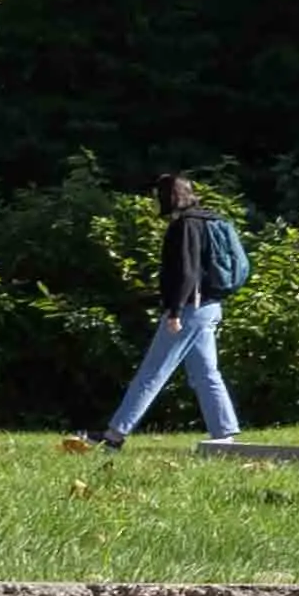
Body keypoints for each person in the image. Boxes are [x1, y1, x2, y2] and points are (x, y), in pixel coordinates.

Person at [101, 172, 250, 448]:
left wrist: (174, 312)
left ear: (169, 197)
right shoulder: (210, 220)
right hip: (211, 306)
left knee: (153, 371)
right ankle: (224, 434)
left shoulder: (185, 226)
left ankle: (114, 436)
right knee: (206, 374)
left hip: (190, 310)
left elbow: (187, 271)